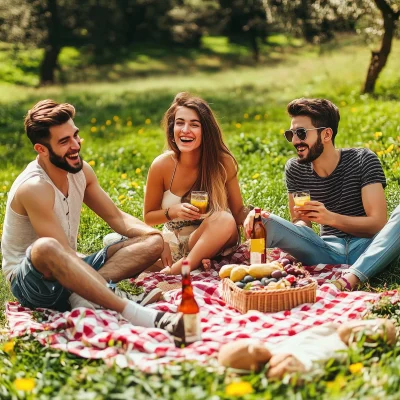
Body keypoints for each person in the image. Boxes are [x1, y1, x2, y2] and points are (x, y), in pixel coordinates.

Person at [1, 99, 183, 337]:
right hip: (34, 281)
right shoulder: (34, 187)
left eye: (75, 136)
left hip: (72, 267)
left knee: (152, 240)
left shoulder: (81, 171)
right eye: (64, 141)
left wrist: (156, 236)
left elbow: (117, 218)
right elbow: (62, 252)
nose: (75, 145)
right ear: (41, 149)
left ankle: (85, 294)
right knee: (46, 247)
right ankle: (137, 312)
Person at [244, 98, 400, 290]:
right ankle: (256, 277)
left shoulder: (362, 160)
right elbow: (301, 223)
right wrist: (269, 222)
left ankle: (350, 279)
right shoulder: (295, 169)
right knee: (263, 220)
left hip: (368, 248)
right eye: (290, 134)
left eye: (301, 133)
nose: (294, 141)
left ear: (326, 134)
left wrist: (330, 218)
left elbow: (377, 224)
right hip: (325, 251)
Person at [143, 92, 248, 275]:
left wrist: (254, 216)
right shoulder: (161, 165)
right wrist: (173, 212)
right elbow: (149, 217)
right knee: (115, 242)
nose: (185, 130)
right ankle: (194, 263)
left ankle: (176, 271)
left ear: (205, 131)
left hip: (214, 236)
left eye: (194, 124)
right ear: (172, 128)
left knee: (224, 218)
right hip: (177, 242)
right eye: (180, 123)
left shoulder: (223, 163)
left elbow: (238, 214)